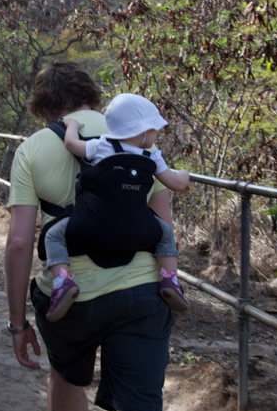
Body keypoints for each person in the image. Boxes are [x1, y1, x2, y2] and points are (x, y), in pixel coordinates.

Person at [5, 60, 182, 411]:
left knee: (68, 376)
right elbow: (162, 217)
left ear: (42, 105)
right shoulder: (134, 134)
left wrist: (17, 324)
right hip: (141, 294)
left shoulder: (35, 147)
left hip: (73, 295)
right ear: (91, 95)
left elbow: (17, 243)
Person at [44, 92, 191, 321]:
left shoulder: (101, 146)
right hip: (137, 228)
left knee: (53, 235)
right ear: (141, 131)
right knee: (165, 234)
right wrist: (185, 173)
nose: (155, 135)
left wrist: (72, 124)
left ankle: (62, 283)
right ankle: (171, 279)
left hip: (91, 225)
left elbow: (71, 143)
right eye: (153, 130)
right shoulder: (152, 157)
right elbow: (178, 184)